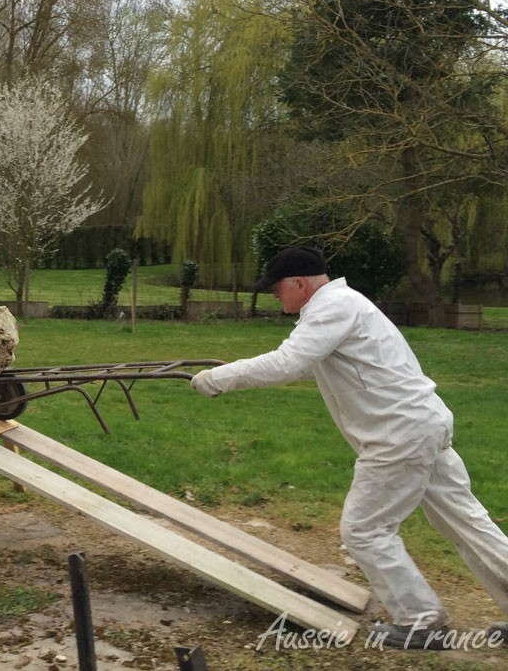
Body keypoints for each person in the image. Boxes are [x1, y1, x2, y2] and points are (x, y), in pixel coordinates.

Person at [190, 246, 508, 650]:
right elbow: (304, 363)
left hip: (398, 436)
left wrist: (216, 379)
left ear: (300, 284)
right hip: (421, 424)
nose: (274, 296)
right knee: (465, 522)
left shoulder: (332, 307)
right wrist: (228, 374)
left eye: (276, 289)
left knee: (364, 530)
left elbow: (288, 362)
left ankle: (422, 622)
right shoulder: (344, 304)